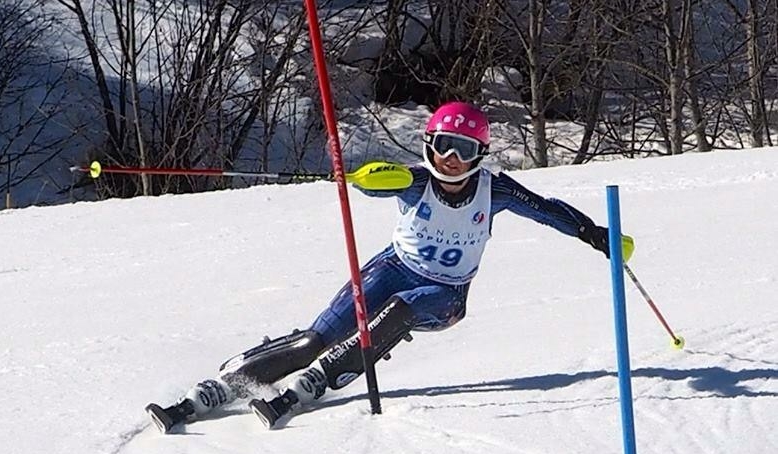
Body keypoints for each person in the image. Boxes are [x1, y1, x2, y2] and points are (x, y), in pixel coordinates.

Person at [145, 101, 634, 433]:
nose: (450, 159)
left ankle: (318, 381)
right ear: (428, 143)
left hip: (445, 295)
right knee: (317, 338)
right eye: (442, 145)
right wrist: (359, 176)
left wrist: (595, 235)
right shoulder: (415, 183)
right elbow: (375, 183)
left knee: (398, 311)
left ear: (479, 155)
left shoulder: (495, 190)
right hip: (393, 267)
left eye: (464, 151)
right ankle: (222, 386)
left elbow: (546, 208)